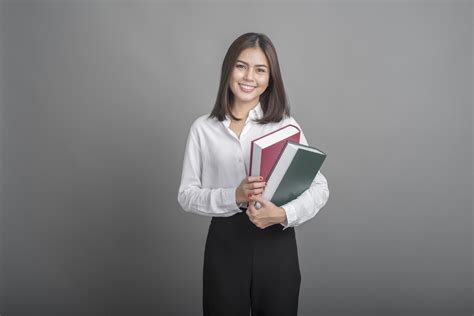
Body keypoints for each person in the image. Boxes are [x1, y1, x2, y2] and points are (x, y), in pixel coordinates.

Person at [177, 32, 330, 316]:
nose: (249, 77)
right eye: (241, 66)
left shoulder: (283, 125)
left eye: (260, 70)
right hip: (225, 245)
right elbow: (186, 196)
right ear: (228, 69)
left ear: (270, 78)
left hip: (276, 243)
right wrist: (233, 196)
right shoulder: (203, 128)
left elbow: (320, 187)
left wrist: (283, 215)